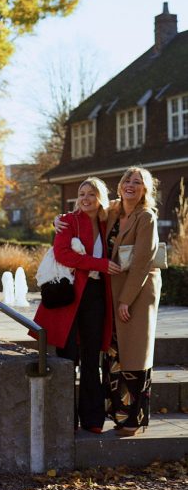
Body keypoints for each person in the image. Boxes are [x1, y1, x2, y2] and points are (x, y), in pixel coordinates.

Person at [33, 177, 118, 434]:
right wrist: (100, 264)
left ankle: (93, 419)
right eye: (82, 193)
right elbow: (63, 254)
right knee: (68, 357)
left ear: (100, 196)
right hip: (69, 296)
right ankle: (65, 419)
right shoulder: (68, 221)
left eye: (91, 193)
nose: (85, 198)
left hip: (96, 296)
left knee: (92, 357)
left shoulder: (108, 221)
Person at [104, 167, 163, 436]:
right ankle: (118, 414)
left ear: (145, 190)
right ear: (120, 186)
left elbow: (141, 263)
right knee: (115, 351)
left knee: (136, 354)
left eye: (138, 182)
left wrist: (126, 300)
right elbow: (86, 209)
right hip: (114, 292)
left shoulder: (146, 217)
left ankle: (136, 419)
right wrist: (61, 221)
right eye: (127, 180)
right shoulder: (114, 211)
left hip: (138, 293)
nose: (131, 185)